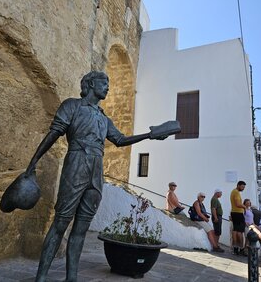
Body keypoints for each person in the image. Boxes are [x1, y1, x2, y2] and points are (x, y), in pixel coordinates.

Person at [25, 71, 171, 282]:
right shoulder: (72, 106)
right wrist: (33, 162)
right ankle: (41, 277)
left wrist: (150, 135)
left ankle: (71, 278)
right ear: (91, 84)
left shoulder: (104, 118)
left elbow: (120, 140)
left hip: (96, 172)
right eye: (104, 83)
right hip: (76, 165)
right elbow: (54, 133)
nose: (108, 87)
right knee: (60, 223)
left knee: (81, 229)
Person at [230, 180, 247, 255]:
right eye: (242, 187)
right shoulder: (236, 192)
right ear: (238, 185)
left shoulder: (234, 192)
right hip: (238, 213)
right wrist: (244, 207)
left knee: (236, 230)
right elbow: (237, 204)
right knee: (240, 231)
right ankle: (241, 249)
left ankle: (236, 248)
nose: (243, 188)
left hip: (235, 213)